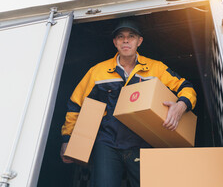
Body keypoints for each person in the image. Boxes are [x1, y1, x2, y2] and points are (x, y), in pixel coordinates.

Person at [60, 19, 197, 187]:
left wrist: (181, 106)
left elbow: (187, 88)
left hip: (142, 142)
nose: (126, 40)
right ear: (115, 42)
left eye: (131, 36)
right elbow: (76, 104)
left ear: (139, 41)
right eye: (120, 36)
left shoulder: (156, 68)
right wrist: (67, 139)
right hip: (107, 143)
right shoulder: (97, 72)